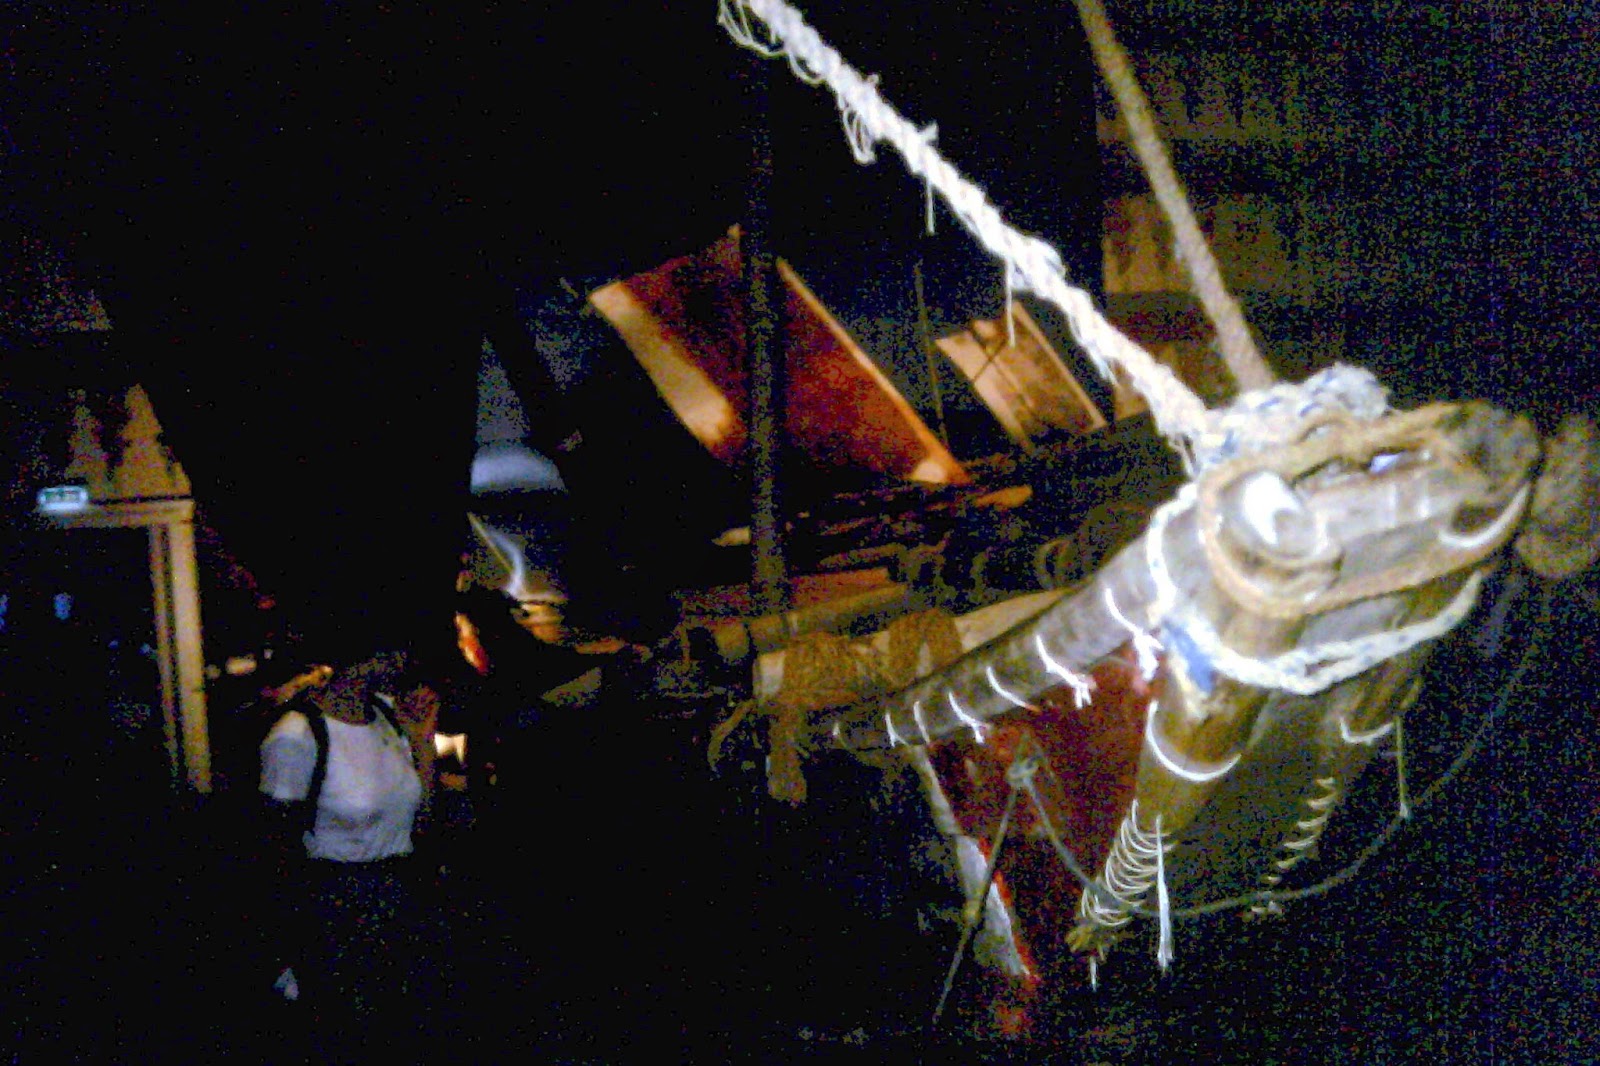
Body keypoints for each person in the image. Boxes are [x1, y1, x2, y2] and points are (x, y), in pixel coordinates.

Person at [258, 642, 442, 1064]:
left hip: (401, 897)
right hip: (338, 908)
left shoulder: (388, 715)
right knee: (347, 1034)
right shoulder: (297, 734)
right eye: (390, 652)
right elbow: (274, 851)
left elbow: (421, 823)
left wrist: (422, 743)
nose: (402, 663)